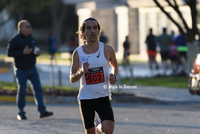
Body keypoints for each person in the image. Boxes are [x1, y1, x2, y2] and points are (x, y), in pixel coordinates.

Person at [70, 17, 118, 134]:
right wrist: (81, 71)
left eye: (95, 28)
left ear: (99, 31)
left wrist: (114, 76)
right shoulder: (78, 52)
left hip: (103, 97)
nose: (92, 31)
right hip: (85, 98)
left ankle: (98, 128)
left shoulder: (107, 49)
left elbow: (115, 66)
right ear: (83, 32)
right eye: (89, 28)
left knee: (108, 129)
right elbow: (72, 78)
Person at [7, 20, 53, 120]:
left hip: (32, 69)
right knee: (22, 91)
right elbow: (9, 53)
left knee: (38, 89)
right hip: (21, 70)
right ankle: (21, 112)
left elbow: (32, 51)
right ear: (22, 28)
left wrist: (36, 53)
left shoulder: (31, 38)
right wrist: (22, 52)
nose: (30, 28)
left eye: (30, 26)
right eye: (28, 26)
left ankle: (42, 111)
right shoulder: (15, 39)